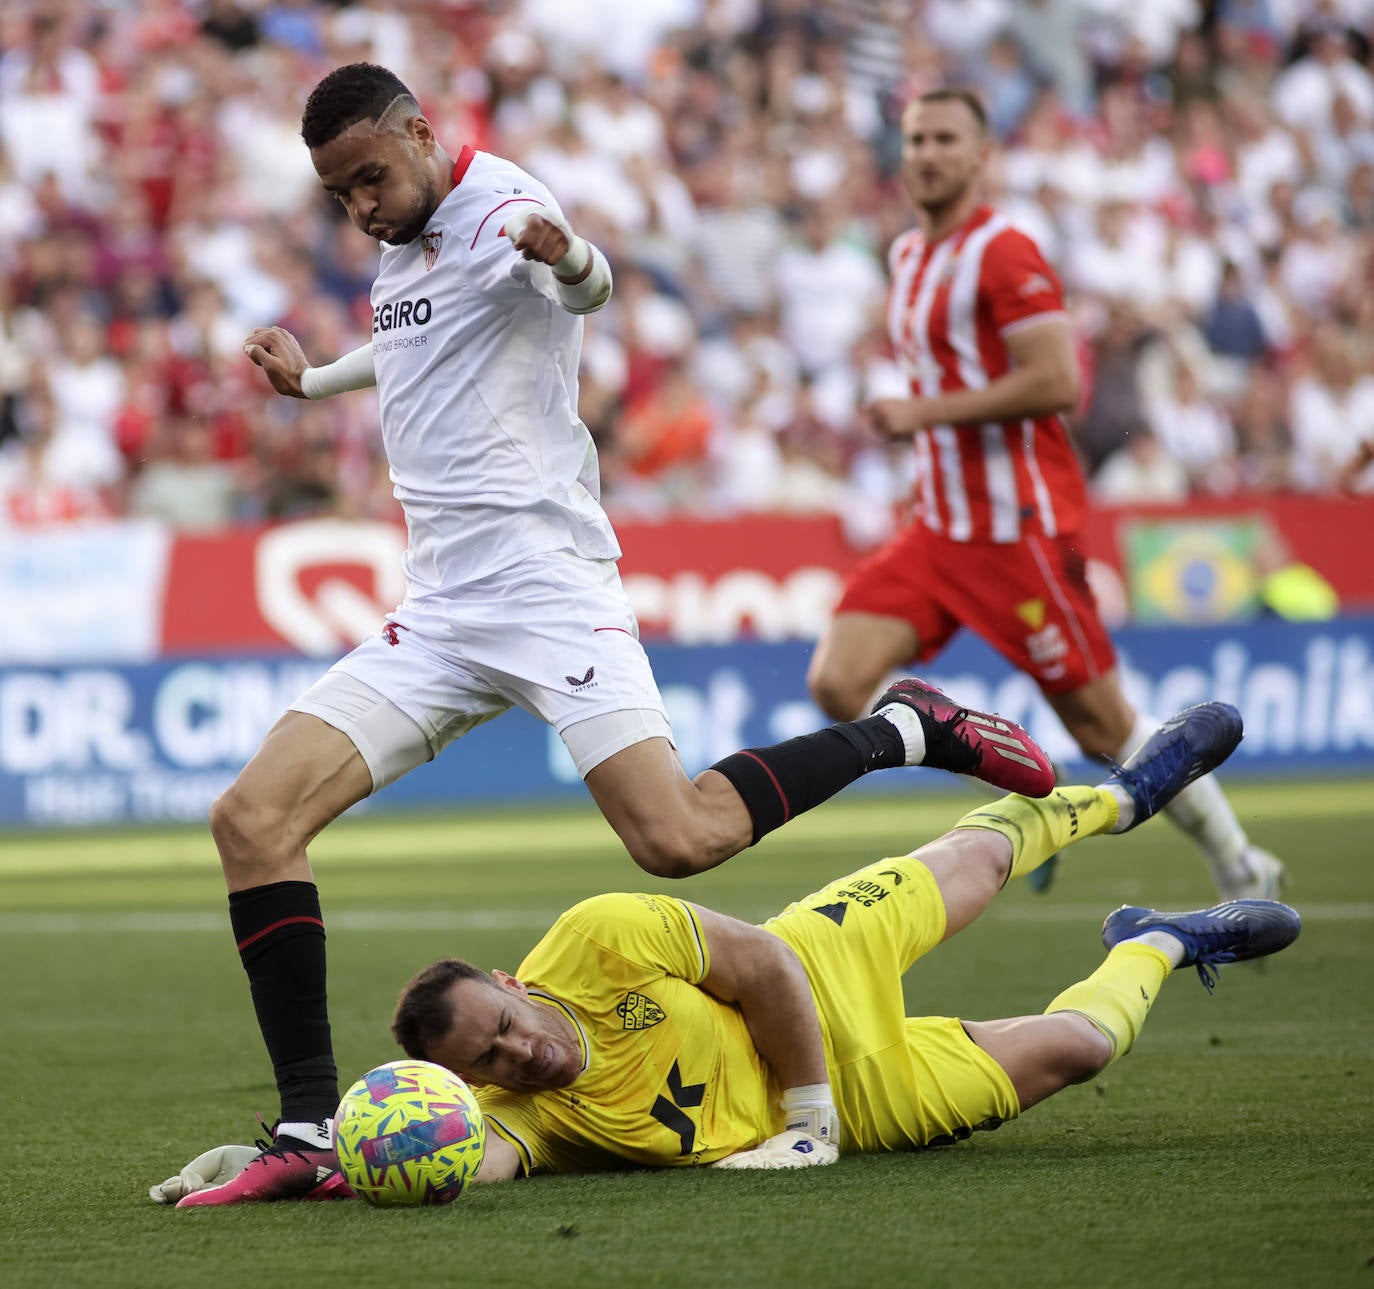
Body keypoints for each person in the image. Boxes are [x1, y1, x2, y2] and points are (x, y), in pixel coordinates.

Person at [194, 63, 1058, 1205]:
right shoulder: (404, 249)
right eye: (339, 193)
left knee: (680, 837)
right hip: (445, 608)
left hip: (550, 588)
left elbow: (585, 284)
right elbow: (410, 345)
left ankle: (903, 725)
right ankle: (309, 1121)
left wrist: (570, 260)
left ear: (421, 131)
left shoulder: (504, 210)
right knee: (252, 818)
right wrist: (312, 386)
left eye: (369, 177)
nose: (359, 207)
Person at [156, 702, 1300, 1203]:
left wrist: (806, 1126)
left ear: (512, 984)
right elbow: (441, 1155)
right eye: (495, 1061)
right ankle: (1154, 940)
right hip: (868, 1096)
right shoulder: (514, 1118)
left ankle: (1125, 795)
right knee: (1079, 1047)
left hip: (808, 976)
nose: (523, 1053)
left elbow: (760, 965)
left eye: (506, 1022)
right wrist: (317, 1163)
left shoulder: (593, 941)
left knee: (975, 861)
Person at [805, 88, 1285, 905]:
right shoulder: (907, 255)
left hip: (1017, 533)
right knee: (837, 682)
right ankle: (1017, 786)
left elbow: (1057, 380)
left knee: (1103, 724)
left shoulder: (1005, 251)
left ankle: (1241, 861)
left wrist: (921, 414)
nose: (924, 153)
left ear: (981, 154)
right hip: (937, 530)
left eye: (945, 139)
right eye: (916, 138)